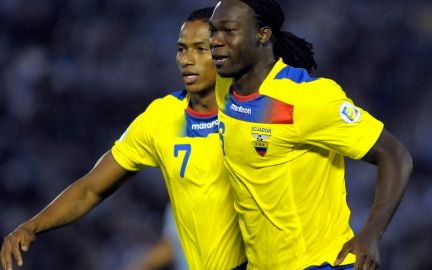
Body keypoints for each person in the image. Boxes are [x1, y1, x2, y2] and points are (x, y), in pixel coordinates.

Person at [1, 7, 247, 270]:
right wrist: (31, 226)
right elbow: (90, 188)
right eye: (181, 49)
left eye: (200, 49)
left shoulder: (263, 109)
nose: (187, 59)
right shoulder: (160, 119)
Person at [209, 0, 413, 269]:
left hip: (320, 263)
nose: (215, 41)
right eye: (213, 31)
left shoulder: (305, 99)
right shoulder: (224, 89)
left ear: (262, 34)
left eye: (229, 31)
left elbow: (395, 155)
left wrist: (371, 234)